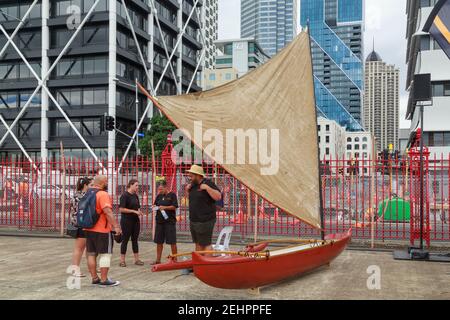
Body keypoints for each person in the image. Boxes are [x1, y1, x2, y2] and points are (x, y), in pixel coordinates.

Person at [84, 175, 122, 287]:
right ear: (102, 183)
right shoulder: (102, 194)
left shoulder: (87, 193)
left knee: (91, 254)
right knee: (105, 254)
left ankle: (95, 278)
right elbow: (108, 212)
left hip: (88, 228)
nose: (107, 183)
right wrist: (116, 227)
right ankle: (104, 280)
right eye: (106, 181)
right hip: (102, 230)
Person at [185, 165, 222, 252]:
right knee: (197, 242)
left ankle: (207, 264)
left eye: (191, 175)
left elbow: (218, 197)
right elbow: (190, 199)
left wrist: (207, 188)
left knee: (206, 244)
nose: (189, 177)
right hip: (194, 220)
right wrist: (187, 190)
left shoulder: (208, 183)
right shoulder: (193, 185)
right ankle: (199, 263)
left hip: (205, 220)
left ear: (198, 175)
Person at [69, 177, 92, 277]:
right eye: (90, 185)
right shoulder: (82, 196)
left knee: (87, 248)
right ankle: (75, 269)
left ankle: (90, 267)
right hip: (81, 224)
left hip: (83, 223)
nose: (92, 187)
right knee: (79, 248)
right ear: (85, 185)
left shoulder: (79, 195)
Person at [152, 180, 178, 265]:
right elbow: (155, 205)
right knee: (159, 241)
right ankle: (158, 259)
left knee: (172, 241)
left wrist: (164, 207)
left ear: (166, 187)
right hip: (160, 222)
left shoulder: (172, 195)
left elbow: (174, 206)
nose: (160, 191)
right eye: (159, 189)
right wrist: (155, 207)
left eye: (161, 189)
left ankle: (175, 259)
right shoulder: (159, 196)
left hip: (169, 222)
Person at [119, 179, 144, 267]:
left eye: (138, 186)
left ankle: (137, 259)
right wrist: (133, 211)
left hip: (135, 221)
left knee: (135, 240)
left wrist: (139, 212)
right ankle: (122, 260)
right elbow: (121, 209)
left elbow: (138, 207)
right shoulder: (124, 195)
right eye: (136, 185)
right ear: (131, 185)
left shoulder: (135, 196)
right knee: (125, 240)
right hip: (126, 221)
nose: (137, 187)